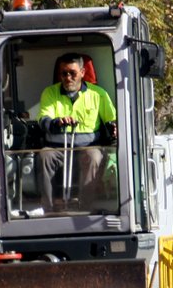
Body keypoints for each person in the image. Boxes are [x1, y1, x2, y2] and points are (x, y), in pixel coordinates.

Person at [37, 52, 117, 212]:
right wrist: (56, 122)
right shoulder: (49, 93)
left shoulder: (98, 94)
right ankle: (49, 209)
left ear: (82, 72)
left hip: (87, 147)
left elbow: (112, 120)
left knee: (94, 156)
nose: (68, 78)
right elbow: (43, 120)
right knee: (44, 156)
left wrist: (114, 127)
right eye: (64, 73)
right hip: (57, 148)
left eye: (72, 73)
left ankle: (84, 208)